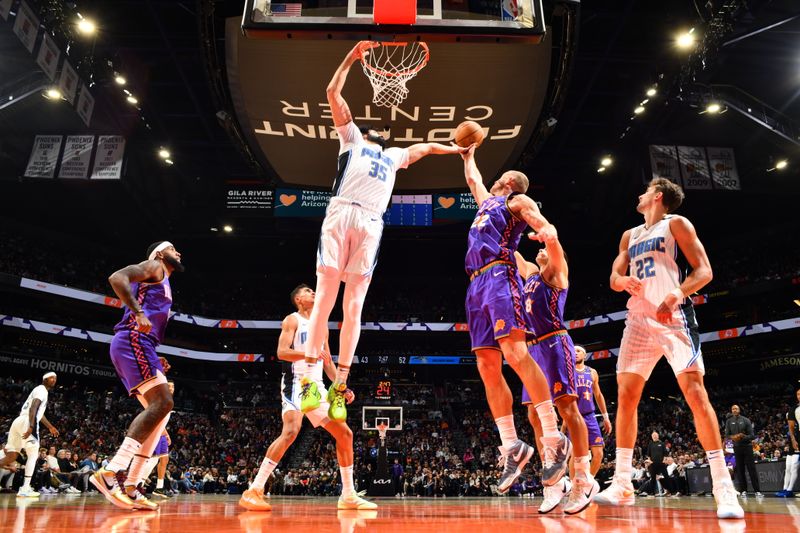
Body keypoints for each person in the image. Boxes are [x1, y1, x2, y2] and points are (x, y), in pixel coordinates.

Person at [298, 41, 466, 422]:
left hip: (373, 220)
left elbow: (424, 148)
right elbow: (331, 92)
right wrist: (352, 56)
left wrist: (454, 149)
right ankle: (310, 381)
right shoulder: (352, 137)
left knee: (353, 306)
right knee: (325, 298)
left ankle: (339, 386)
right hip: (341, 212)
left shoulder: (394, 155)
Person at [593, 178, 743, 519]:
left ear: (657, 196)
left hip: (673, 316)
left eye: (645, 189)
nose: (640, 193)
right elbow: (615, 276)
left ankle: (723, 486)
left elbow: (704, 270)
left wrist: (678, 292)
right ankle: (622, 483)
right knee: (627, 396)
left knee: (694, 391)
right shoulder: (629, 235)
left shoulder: (676, 224)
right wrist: (621, 281)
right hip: (639, 320)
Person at [459, 143, 569, 494]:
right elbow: (474, 181)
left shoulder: (515, 201)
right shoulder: (485, 204)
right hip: (475, 284)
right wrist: (468, 156)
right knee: (487, 366)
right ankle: (512, 446)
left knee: (515, 354)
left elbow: (537, 218)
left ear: (508, 182)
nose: (491, 181)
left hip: (499, 276)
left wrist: (547, 231)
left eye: (499, 178)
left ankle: (552, 438)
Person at [239, 284, 374, 511]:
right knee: (291, 431)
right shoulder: (291, 320)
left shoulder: (322, 326)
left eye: (313, 290)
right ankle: (254, 489)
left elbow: (328, 362)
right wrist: (308, 353)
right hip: (296, 382)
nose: (313, 292)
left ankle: (348, 495)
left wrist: (343, 386)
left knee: (345, 434)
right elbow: (282, 353)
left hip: (317, 386)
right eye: (308, 291)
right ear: (298, 299)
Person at [90, 241, 183, 511]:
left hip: (144, 345)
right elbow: (117, 277)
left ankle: (131, 485)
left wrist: (154, 353)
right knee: (163, 403)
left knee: (163, 413)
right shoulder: (154, 266)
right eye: (173, 248)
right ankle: (111, 472)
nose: (178, 253)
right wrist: (138, 312)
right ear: (159, 253)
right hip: (132, 340)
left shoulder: (163, 280)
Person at [515, 245, 599, 514]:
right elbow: (509, 250)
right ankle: (553, 483)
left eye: (546, 248)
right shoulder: (530, 273)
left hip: (555, 342)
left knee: (567, 409)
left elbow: (554, 248)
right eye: (539, 248)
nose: (541, 250)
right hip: (533, 349)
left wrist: (548, 237)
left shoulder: (556, 273)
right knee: (534, 416)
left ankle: (582, 479)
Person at [0, 372, 59, 497]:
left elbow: (39, 413)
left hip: (18, 421)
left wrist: (50, 427)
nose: (54, 380)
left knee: (11, 456)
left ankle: (26, 487)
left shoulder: (40, 391)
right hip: (27, 421)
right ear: (45, 379)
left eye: (55, 378)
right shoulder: (42, 389)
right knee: (33, 455)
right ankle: (25, 488)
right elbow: (33, 408)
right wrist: (31, 426)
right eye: (51, 378)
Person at [144, 380, 175, 498]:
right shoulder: (161, 399)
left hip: (161, 432)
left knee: (164, 459)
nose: (171, 388)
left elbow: (162, 422)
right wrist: (164, 434)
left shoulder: (169, 401)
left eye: (173, 387)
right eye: (169, 386)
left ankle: (159, 487)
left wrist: (166, 433)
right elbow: (156, 420)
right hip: (155, 432)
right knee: (152, 460)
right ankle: (139, 485)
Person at [724, 405, 761, 497]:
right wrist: (734, 437)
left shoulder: (746, 420)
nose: (734, 410)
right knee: (740, 470)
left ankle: (757, 491)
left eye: (736, 408)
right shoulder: (729, 422)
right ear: (731, 411)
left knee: (751, 469)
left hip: (747, 446)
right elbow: (727, 435)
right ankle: (744, 490)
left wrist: (742, 436)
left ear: (739, 410)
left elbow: (752, 436)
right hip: (736, 447)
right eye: (733, 409)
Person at [777, 387, 800, 497]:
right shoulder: (794, 409)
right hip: (795, 440)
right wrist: (793, 440)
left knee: (794, 465)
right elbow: (791, 428)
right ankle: (785, 489)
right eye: (798, 394)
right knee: (789, 467)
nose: (799, 396)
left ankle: (790, 490)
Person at [643, 432, 668, 496]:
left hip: (661, 463)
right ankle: (652, 493)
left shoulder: (662, 443)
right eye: (653, 435)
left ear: (658, 436)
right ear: (651, 437)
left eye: (655, 435)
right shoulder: (650, 444)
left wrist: (664, 460)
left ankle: (668, 491)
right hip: (653, 464)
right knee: (653, 478)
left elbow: (665, 453)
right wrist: (650, 461)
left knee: (666, 476)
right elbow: (648, 454)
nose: (654, 436)